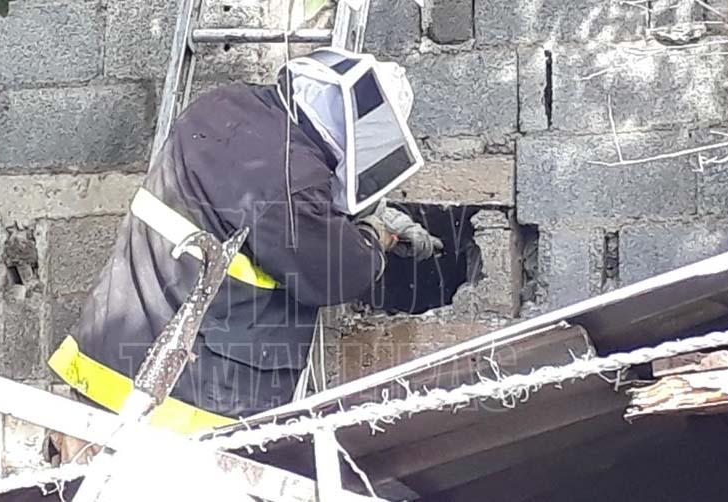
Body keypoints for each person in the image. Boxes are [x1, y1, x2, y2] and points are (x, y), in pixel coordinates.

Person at [47, 47, 443, 442]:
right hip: (183, 403)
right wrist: (373, 235)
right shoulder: (291, 182)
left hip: (101, 366)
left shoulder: (223, 105)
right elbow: (338, 272)